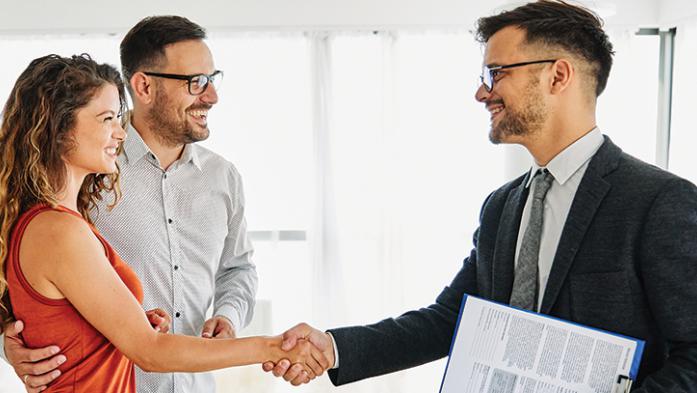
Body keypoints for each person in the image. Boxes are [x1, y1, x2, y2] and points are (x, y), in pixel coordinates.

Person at [263, 1, 697, 390]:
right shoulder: (502, 207)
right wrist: (332, 347)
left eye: (497, 73)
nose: (482, 92)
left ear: (558, 75)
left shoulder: (659, 202)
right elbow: (453, 319)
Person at [0, 53, 328, 393]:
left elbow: (74, 327)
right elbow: (151, 352)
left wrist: (133, 318)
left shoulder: (61, 222)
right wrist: (273, 347)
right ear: (59, 128)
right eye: (107, 119)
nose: (120, 132)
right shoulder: (58, 231)